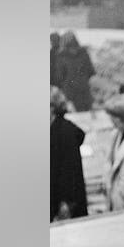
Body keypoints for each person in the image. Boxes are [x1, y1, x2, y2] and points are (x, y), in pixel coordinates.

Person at [50, 86, 88, 221]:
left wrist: (65, 204)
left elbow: (70, 173)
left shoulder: (65, 132)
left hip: (63, 205)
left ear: (52, 107)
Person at [53, 31, 96, 112]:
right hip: (84, 90)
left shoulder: (61, 55)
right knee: (85, 115)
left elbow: (59, 77)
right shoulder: (84, 53)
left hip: (70, 91)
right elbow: (91, 71)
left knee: (73, 117)